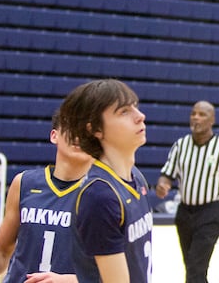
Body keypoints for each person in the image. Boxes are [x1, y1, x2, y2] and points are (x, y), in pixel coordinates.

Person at [0, 112, 93, 283]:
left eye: (87, 132)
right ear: (54, 135)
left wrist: (68, 281)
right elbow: (1, 252)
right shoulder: (24, 183)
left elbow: (116, 276)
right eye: (73, 127)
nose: (79, 136)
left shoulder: (101, 194)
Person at [62, 79, 152, 282]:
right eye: (124, 112)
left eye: (135, 108)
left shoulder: (135, 176)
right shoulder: (100, 196)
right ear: (95, 129)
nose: (140, 117)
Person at [155, 100, 219, 283]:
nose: (196, 118)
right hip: (184, 211)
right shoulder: (180, 145)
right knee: (192, 266)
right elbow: (166, 174)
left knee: (195, 267)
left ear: (212, 120)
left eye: (202, 114)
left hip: (211, 211)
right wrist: (162, 185)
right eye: (193, 114)